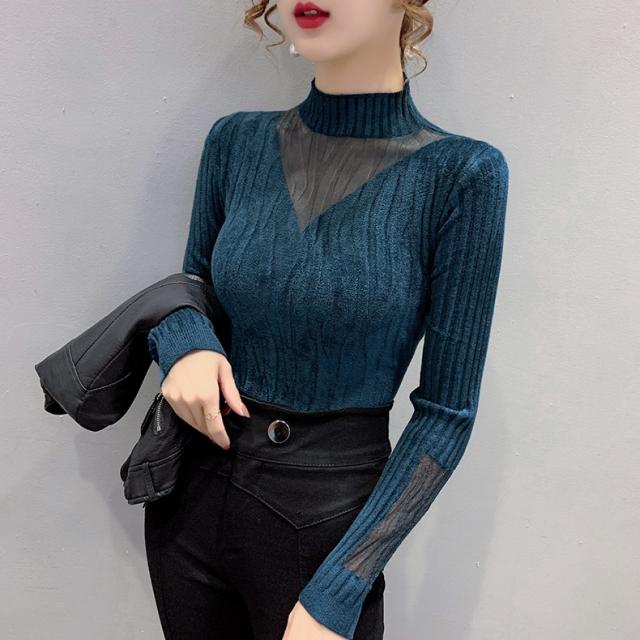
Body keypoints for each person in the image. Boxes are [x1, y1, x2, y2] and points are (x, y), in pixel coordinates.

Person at [142, 1, 510, 639]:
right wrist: (184, 342)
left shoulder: (460, 175)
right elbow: (192, 286)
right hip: (190, 502)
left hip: (329, 525)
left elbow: (446, 415)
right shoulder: (235, 141)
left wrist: (341, 588)